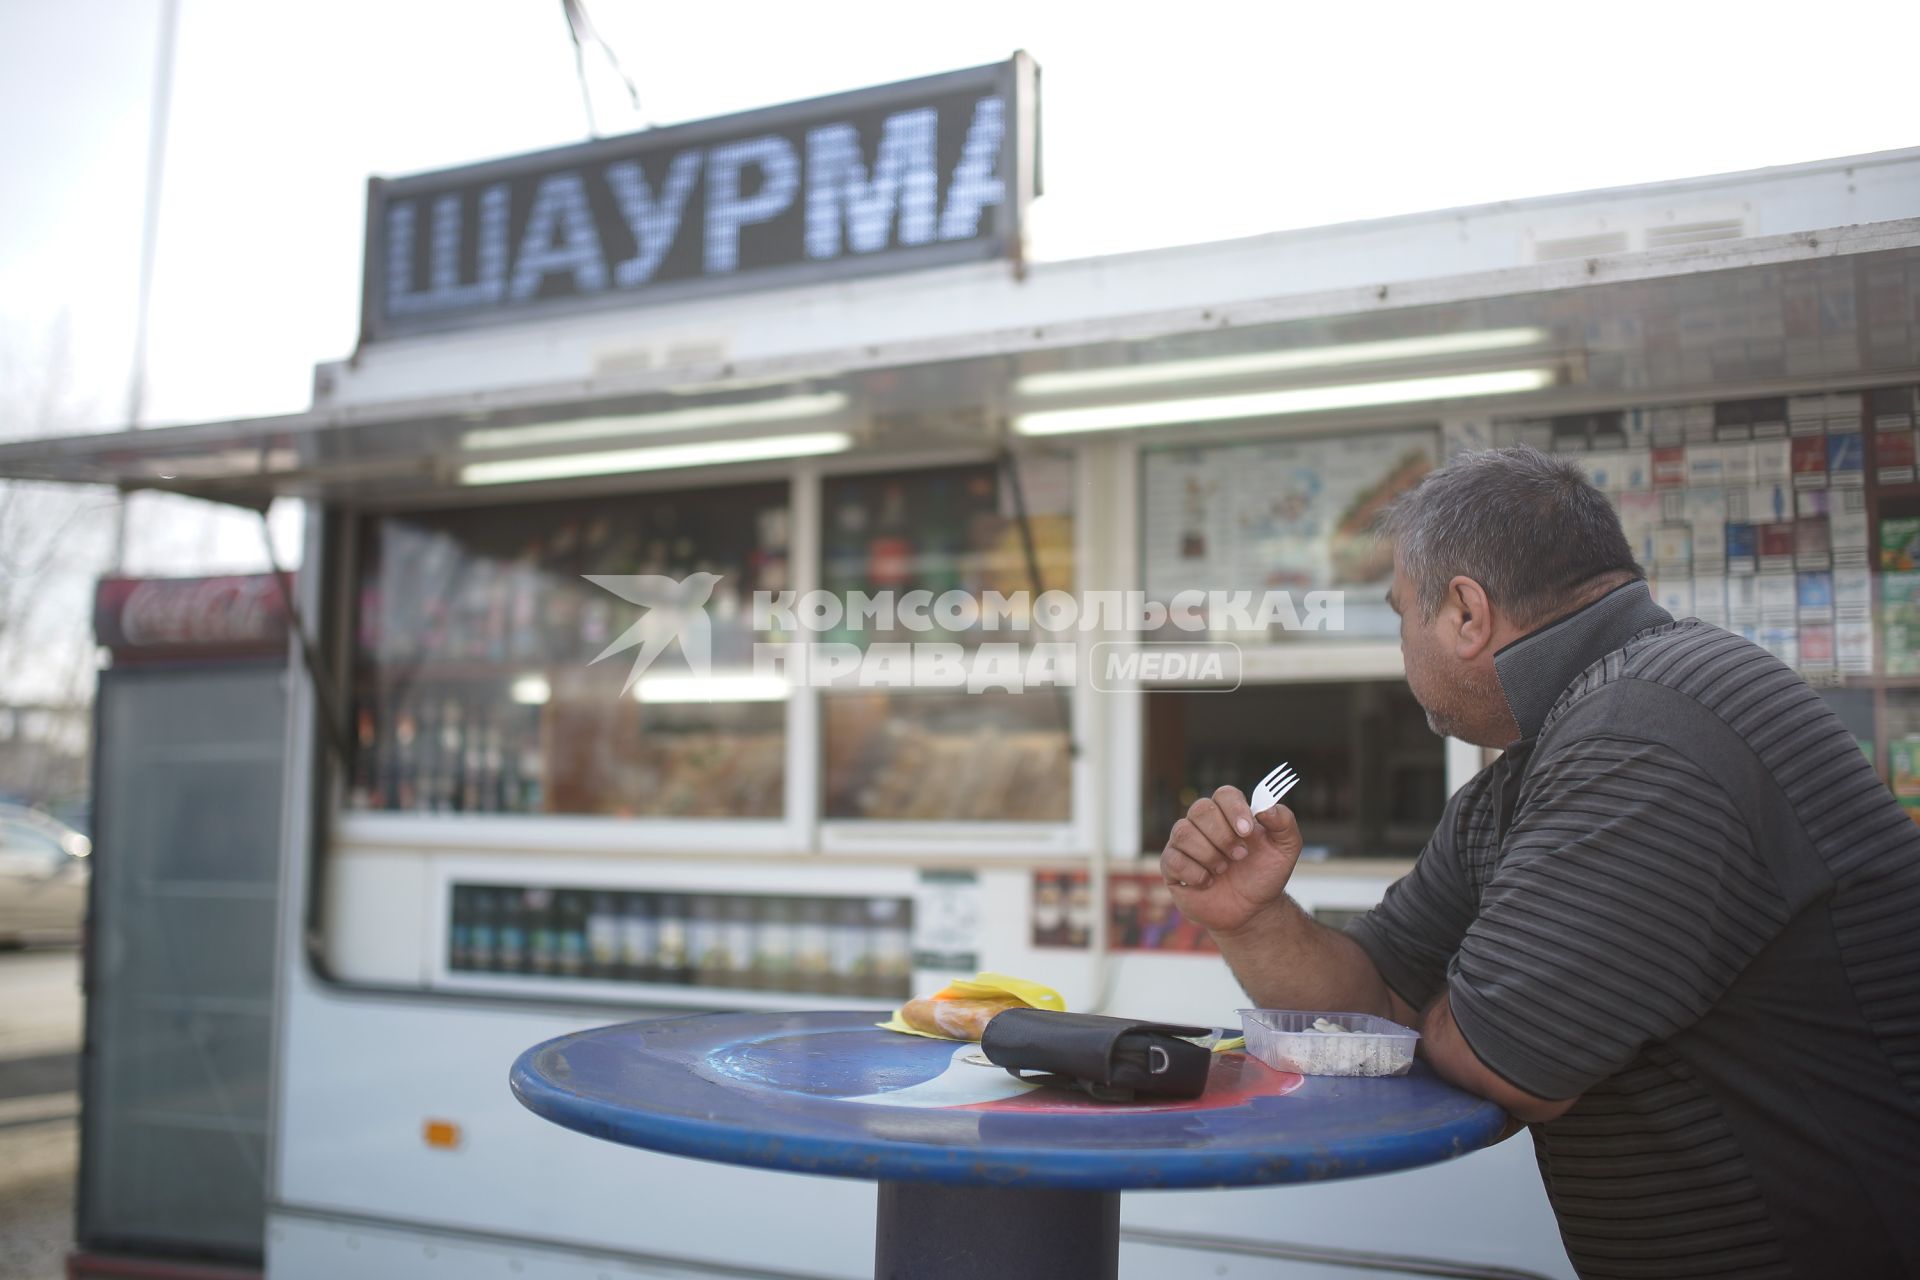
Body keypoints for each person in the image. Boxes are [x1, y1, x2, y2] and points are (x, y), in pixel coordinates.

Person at [1160, 447, 1920, 1279]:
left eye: (1401, 614)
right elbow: (1374, 1004)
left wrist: (1468, 1008)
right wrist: (1254, 918)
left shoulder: (1648, 729)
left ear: (1464, 614)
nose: (1400, 650)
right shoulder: (1547, 758)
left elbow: (1511, 1059)